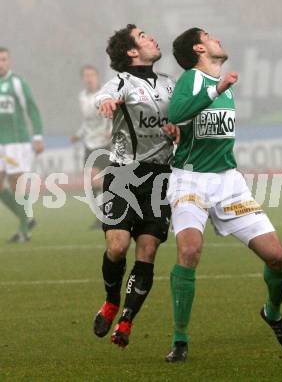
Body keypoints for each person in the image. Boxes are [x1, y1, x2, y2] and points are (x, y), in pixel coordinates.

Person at [164, 28, 282, 362]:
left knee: (277, 257)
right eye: (209, 36)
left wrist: (219, 87)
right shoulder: (194, 79)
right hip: (189, 180)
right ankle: (180, 340)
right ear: (198, 47)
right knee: (190, 250)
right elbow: (176, 114)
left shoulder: (219, 80)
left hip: (228, 183)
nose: (217, 40)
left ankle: (273, 313)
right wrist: (215, 90)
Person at [93, 24, 178, 348]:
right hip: (124, 174)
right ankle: (111, 299)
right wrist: (106, 103)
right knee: (116, 247)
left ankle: (126, 320)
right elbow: (105, 95)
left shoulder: (170, 85)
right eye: (143, 37)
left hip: (160, 178)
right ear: (131, 52)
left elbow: (183, 117)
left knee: (148, 250)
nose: (152, 38)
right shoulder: (122, 82)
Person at [0, 46, 44, 243]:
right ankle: (26, 218)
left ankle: (24, 231)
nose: (1, 64)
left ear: (9, 61)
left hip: (17, 143)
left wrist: (37, 136)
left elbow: (32, 109)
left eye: (3, 60)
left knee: (15, 183)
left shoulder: (17, 83)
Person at [70, 65, 112, 230]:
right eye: (86, 75)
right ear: (83, 79)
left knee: (100, 179)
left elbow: (115, 114)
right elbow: (87, 121)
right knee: (92, 180)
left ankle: (108, 214)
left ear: (97, 77)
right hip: (89, 142)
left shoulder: (106, 95)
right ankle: (103, 215)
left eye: (92, 75)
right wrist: (78, 134)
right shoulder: (82, 97)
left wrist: (111, 130)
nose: (89, 78)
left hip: (105, 142)